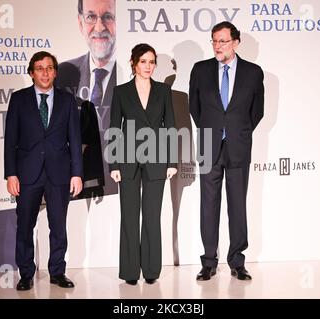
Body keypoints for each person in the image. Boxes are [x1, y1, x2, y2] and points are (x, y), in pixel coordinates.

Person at [189, 21, 264, 281]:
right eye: (214, 41)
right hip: (209, 144)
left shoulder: (253, 73)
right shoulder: (200, 70)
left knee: (237, 205)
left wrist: (237, 131)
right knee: (208, 205)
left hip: (239, 147)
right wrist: (214, 129)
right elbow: (194, 108)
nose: (217, 46)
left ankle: (237, 261)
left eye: (222, 41)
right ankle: (209, 261)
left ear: (235, 42)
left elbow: (257, 111)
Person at [4, 51, 83, 291]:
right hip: (27, 174)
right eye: (40, 68)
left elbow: (74, 139)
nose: (45, 72)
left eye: (49, 68)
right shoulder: (18, 100)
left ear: (55, 72)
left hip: (59, 173)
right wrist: (11, 174)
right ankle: (26, 274)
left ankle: (57, 271)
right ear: (31, 73)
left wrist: (77, 173)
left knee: (58, 226)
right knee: (25, 225)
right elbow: (10, 140)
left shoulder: (68, 101)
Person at [109, 43, 177, 285]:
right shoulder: (120, 92)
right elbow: (114, 128)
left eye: (152, 62)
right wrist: (113, 165)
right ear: (133, 63)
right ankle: (129, 272)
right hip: (126, 160)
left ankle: (150, 270)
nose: (148, 66)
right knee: (129, 217)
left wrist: (172, 161)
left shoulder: (163, 91)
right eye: (143, 61)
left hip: (157, 159)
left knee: (151, 216)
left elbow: (170, 126)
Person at [55, 0, 117, 199]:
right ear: (81, 23)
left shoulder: (129, 80)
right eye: (91, 17)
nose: (99, 27)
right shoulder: (63, 73)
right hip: (69, 178)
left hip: (113, 178)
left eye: (108, 16)